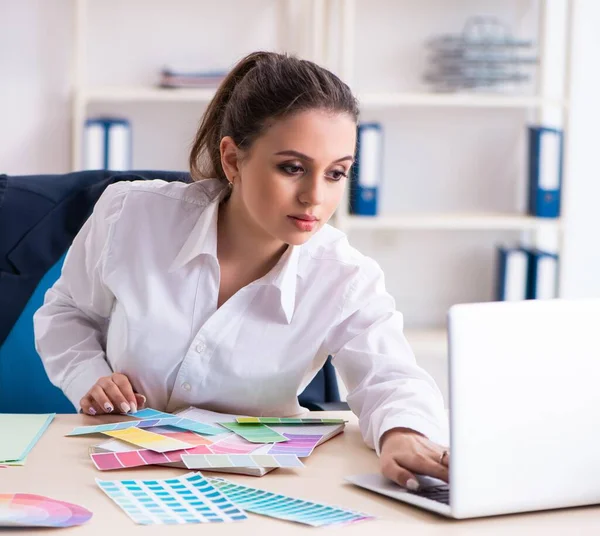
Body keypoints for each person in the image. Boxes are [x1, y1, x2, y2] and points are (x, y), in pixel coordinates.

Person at [34, 51, 448, 490]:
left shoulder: (345, 276)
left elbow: (391, 377)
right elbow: (66, 314)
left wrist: (403, 434)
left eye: (336, 173)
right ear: (232, 160)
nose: (314, 197)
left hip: (257, 483)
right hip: (113, 466)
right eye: (292, 168)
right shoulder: (131, 215)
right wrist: (91, 377)